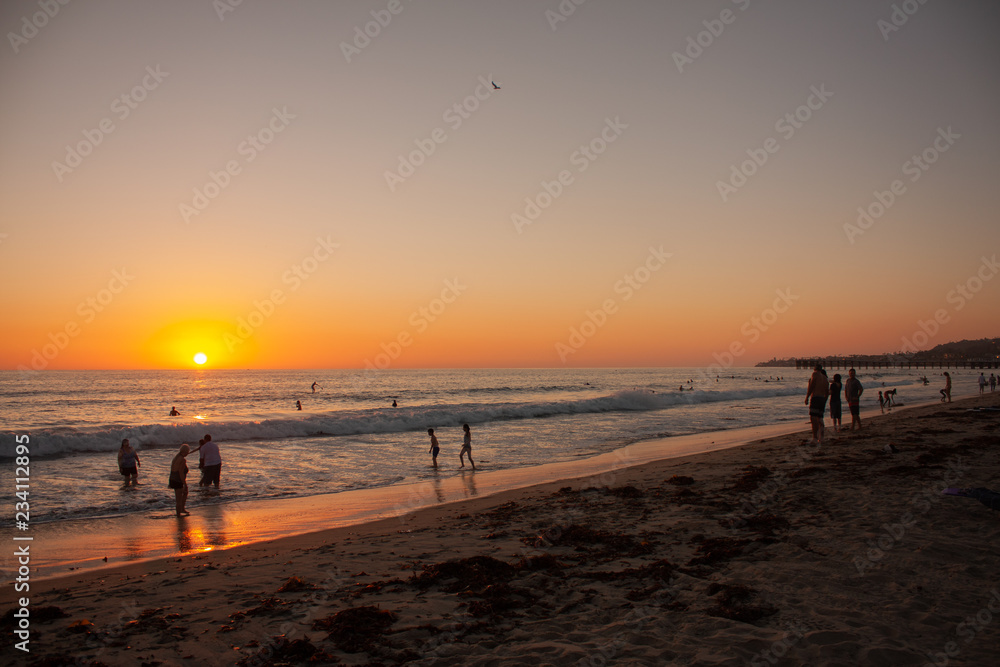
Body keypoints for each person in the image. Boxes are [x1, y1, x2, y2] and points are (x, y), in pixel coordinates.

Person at [805, 365, 829, 444]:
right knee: (820, 418)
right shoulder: (825, 378)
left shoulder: (815, 374)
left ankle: (815, 438)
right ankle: (821, 437)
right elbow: (827, 392)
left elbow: (811, 386)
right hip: (822, 398)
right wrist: (825, 400)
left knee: (814, 419)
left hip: (815, 397)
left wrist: (807, 397)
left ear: (815, 369)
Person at [168, 444, 192, 516]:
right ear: (185, 451)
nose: (188, 453)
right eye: (188, 451)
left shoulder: (176, 457)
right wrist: (184, 483)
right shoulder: (182, 460)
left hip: (172, 478)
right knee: (179, 497)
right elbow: (181, 472)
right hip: (178, 479)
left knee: (184, 492)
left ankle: (182, 509)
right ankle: (178, 514)